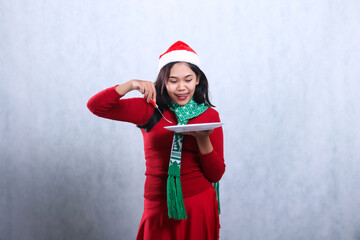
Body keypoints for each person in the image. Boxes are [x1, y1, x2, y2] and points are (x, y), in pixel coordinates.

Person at [87, 41, 225, 240]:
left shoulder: (209, 115)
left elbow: (216, 174)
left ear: (197, 80)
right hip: (159, 205)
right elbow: (97, 106)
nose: (181, 88)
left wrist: (203, 141)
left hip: (198, 204)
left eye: (188, 79)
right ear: (163, 82)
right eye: (173, 81)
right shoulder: (149, 108)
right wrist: (131, 84)